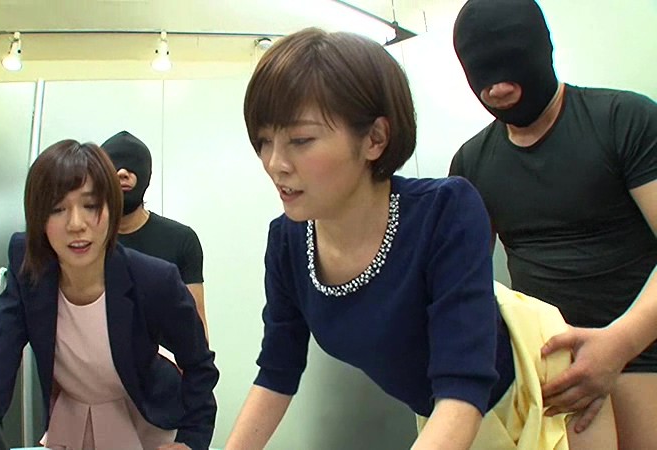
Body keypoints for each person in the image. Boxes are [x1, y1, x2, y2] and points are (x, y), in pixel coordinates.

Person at [223, 27, 617, 450]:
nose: (275, 163)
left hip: (547, 390)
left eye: (301, 140)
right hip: (449, 418)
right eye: (264, 141)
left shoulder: (445, 209)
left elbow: (464, 383)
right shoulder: (287, 242)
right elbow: (277, 372)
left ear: (375, 138)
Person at [449, 0, 657, 447]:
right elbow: (466, 286)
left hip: (641, 349)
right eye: (482, 73)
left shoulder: (624, 120)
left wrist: (619, 345)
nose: (497, 89)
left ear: (542, 50)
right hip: (545, 366)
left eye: (509, 64)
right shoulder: (471, 163)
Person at [0, 140, 218, 450]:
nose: (76, 224)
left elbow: (199, 365)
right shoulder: (29, 266)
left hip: (147, 421)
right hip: (72, 419)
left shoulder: (154, 279)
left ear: (111, 209)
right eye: (57, 209)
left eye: (90, 206)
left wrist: (192, 441)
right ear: (39, 219)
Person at [101, 131, 209, 339]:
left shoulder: (181, 240)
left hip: (165, 358)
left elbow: (196, 327)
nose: (122, 172)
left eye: (133, 163)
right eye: (114, 164)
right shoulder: (85, 243)